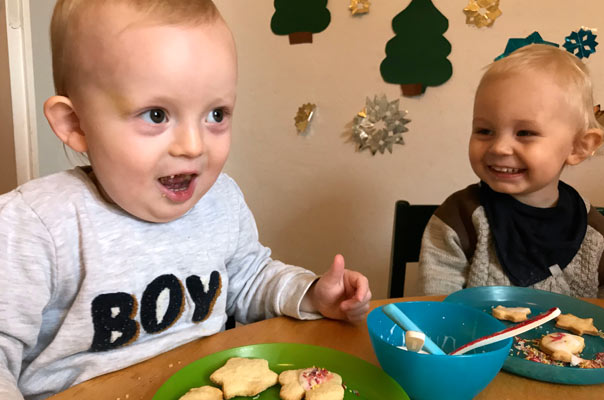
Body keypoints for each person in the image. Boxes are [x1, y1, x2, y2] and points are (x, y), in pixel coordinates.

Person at [0, 1, 371, 399]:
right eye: (156, 115)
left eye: (215, 114)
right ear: (75, 125)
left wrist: (312, 293)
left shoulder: (221, 201)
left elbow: (248, 280)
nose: (193, 146)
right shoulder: (35, 225)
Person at [418, 44, 604, 298]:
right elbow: (438, 309)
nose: (499, 147)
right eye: (485, 131)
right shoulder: (459, 218)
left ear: (578, 147)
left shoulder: (592, 230)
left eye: (525, 133)